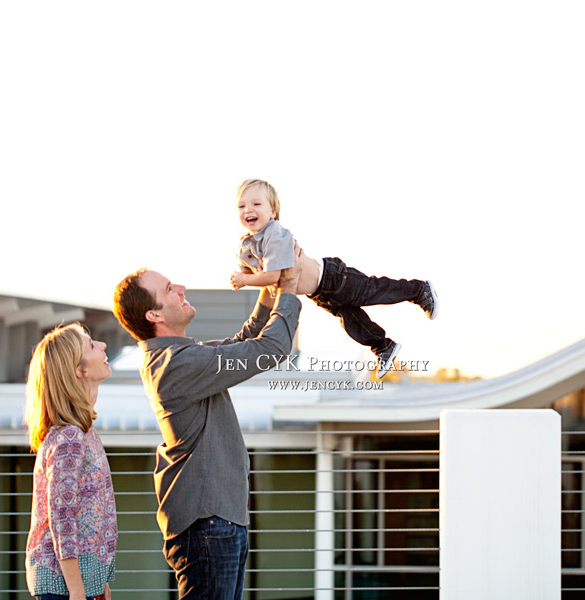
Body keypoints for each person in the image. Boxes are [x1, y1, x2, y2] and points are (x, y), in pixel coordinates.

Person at [112, 250, 303, 600]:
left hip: (216, 522)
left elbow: (243, 343)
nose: (182, 288)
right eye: (170, 289)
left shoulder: (181, 358)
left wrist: (269, 289)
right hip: (208, 525)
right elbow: (271, 349)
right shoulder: (175, 365)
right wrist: (288, 289)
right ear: (154, 314)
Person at [230, 178, 440, 378]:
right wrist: (244, 277)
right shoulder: (247, 245)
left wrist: (244, 280)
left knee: (373, 291)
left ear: (273, 211)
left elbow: (273, 275)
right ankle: (383, 346)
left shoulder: (275, 234)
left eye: (256, 204)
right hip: (319, 293)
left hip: (333, 278)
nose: (248, 210)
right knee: (351, 322)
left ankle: (419, 290)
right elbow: (256, 277)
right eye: (241, 206)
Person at [24, 323, 118, 600]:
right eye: (91, 345)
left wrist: (97, 584)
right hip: (63, 588)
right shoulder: (68, 438)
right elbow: (61, 518)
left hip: (79, 585)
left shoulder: (84, 432)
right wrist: (78, 592)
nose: (102, 345)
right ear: (80, 371)